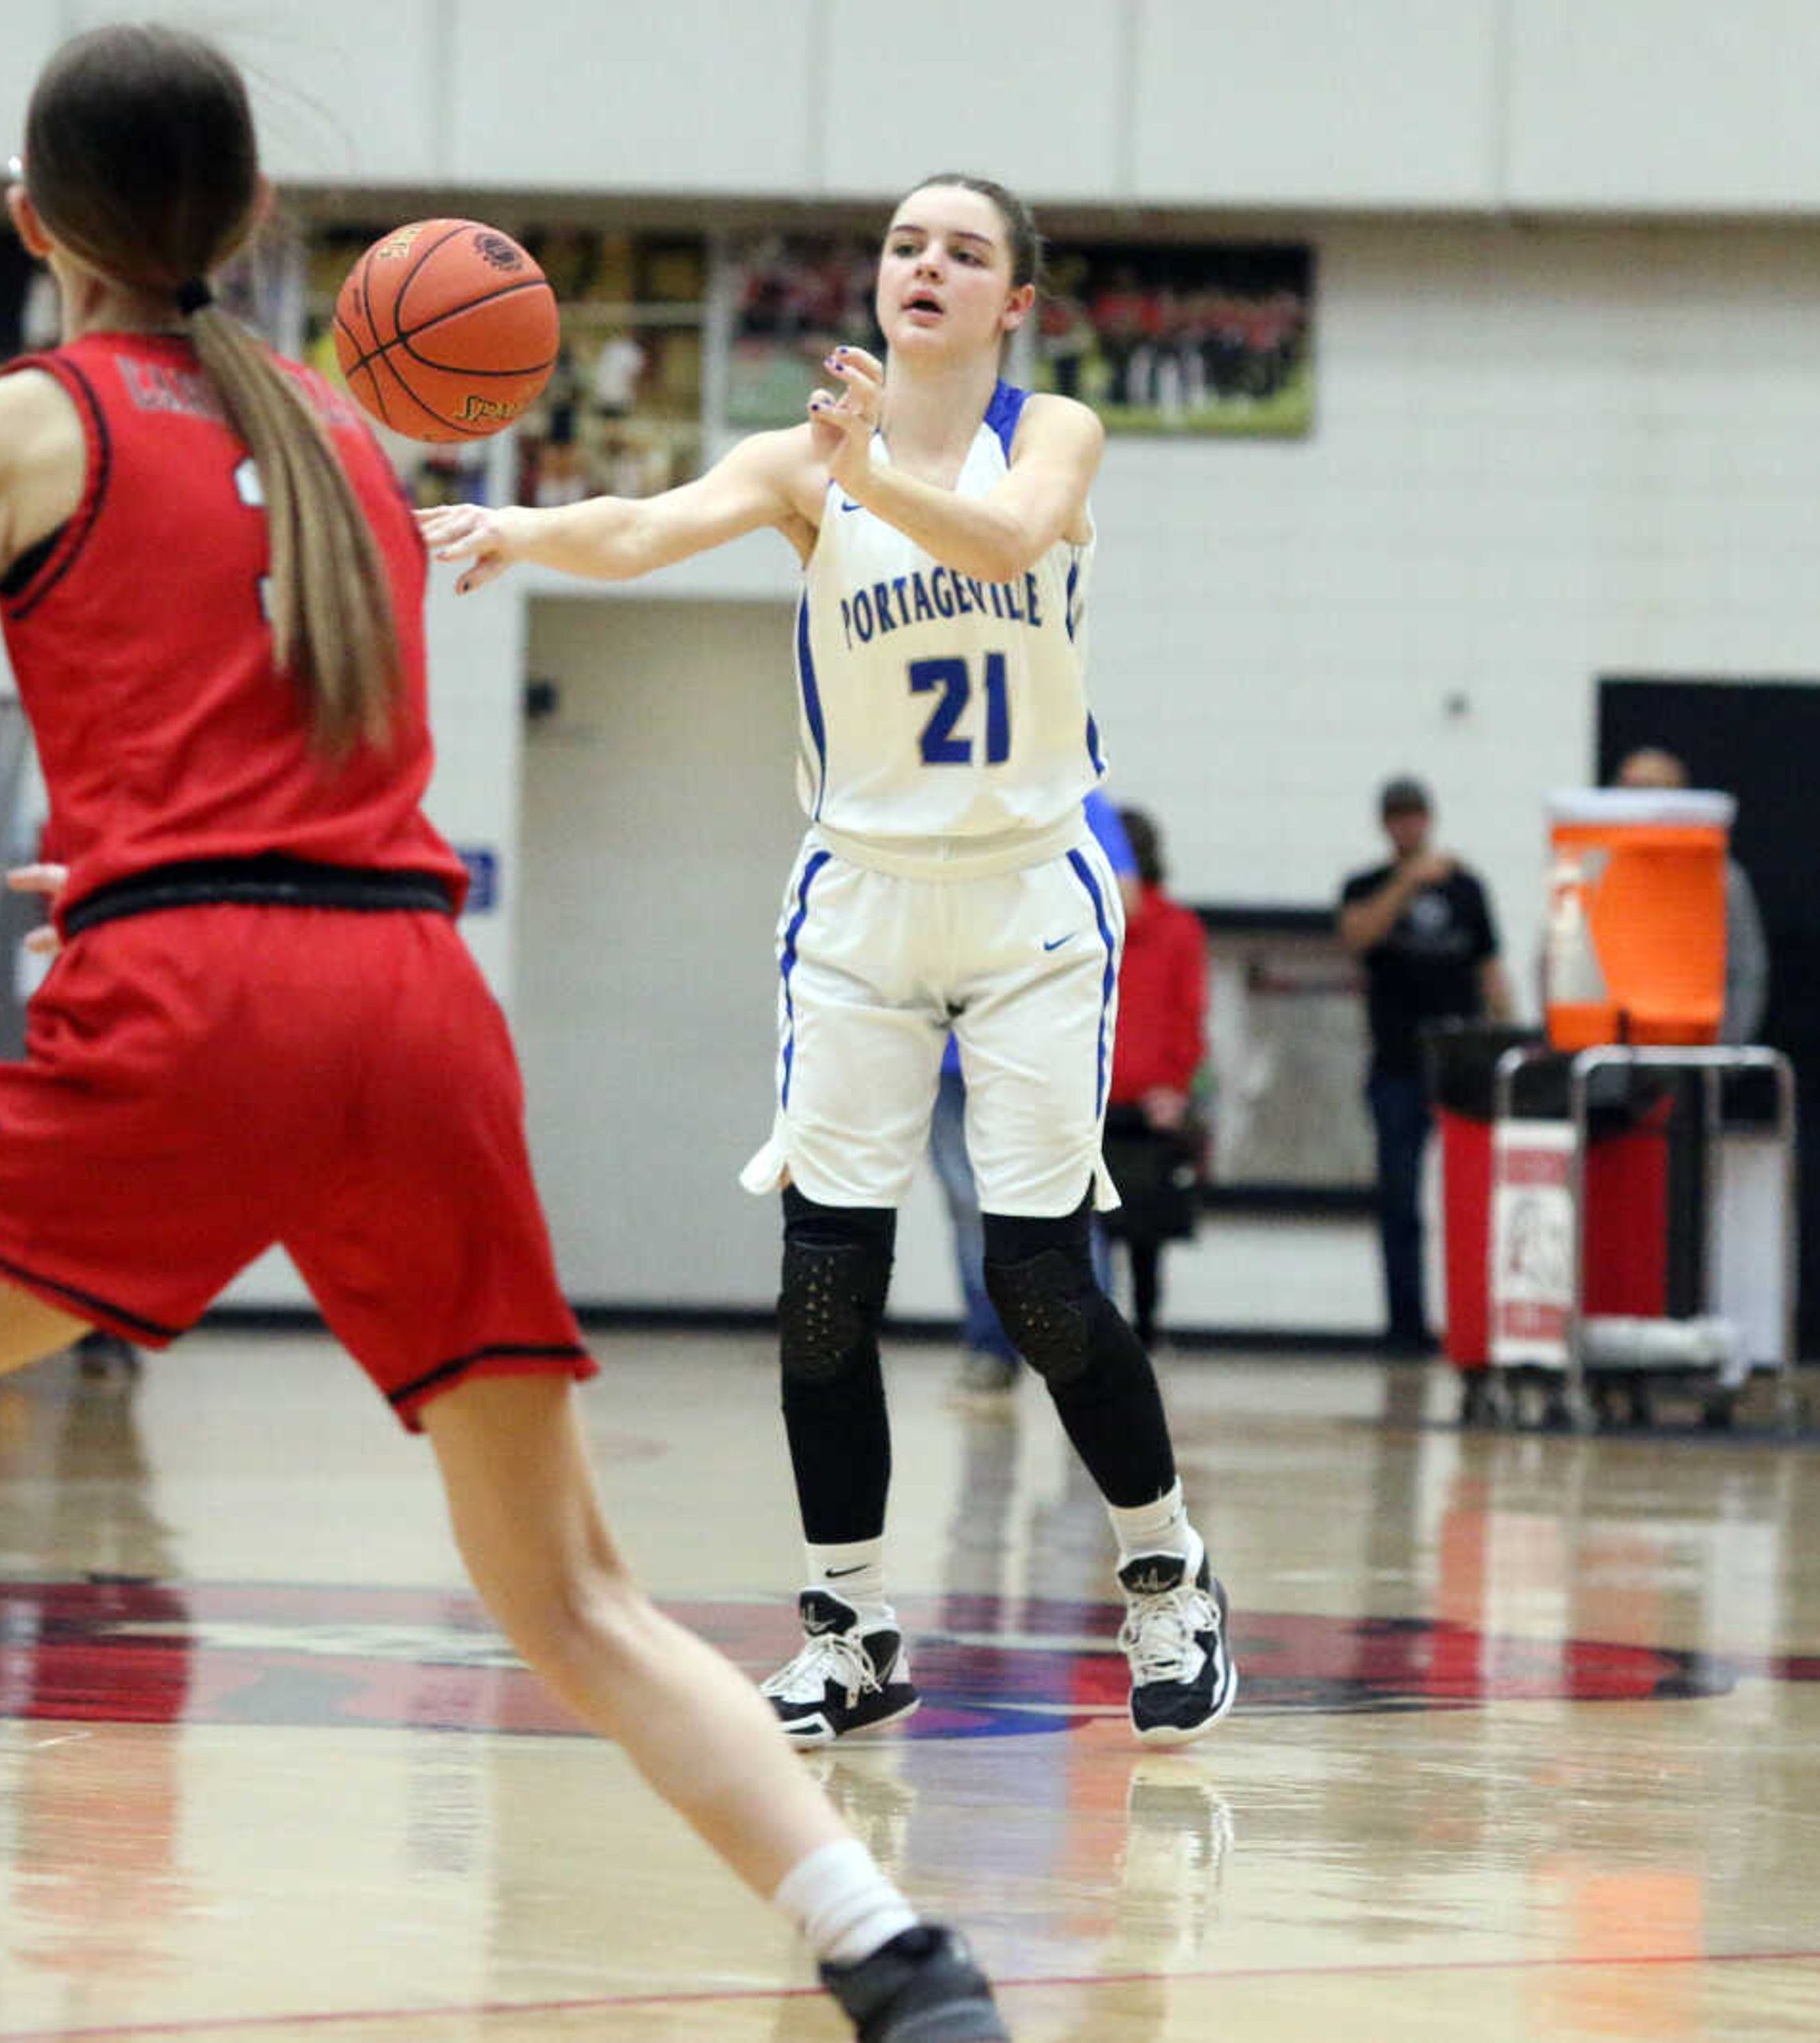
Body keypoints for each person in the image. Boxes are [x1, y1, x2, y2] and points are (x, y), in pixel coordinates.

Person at [0, 30, 1004, 2038]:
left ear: (26, 217)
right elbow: (307, 756)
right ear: (245, 222)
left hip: (199, 999)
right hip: (408, 1000)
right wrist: (154, 867)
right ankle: (897, 1955)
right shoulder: (343, 435)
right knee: (574, 1591)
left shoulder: (15, 422)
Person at [424, 173, 1235, 1755]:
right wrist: (519, 526)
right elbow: (649, 523)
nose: (925, 264)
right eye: (904, 243)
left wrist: (865, 469)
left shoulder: (1050, 432)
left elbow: (1005, 544)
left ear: (1015, 303)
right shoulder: (804, 459)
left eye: (965, 251)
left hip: (1030, 896)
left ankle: (1168, 1569)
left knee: (1039, 1280)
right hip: (860, 895)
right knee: (823, 1284)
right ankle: (852, 1625)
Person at [941, 789, 1131, 1394]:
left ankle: (1086, 1348)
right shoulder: (935, 796)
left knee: (1069, 1196)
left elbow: (1123, 898)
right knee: (969, 1204)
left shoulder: (1074, 796)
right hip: (949, 1044)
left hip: (1039, 1040)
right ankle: (991, 1346)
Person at [1336, 775, 1510, 1355]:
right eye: (1397, 817)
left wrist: (1507, 1037)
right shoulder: (1367, 885)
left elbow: (1490, 968)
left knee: (1471, 1198)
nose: (1408, 826)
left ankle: (1474, 1318)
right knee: (1399, 1200)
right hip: (1396, 1064)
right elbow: (1358, 936)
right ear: (1386, 825)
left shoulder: (1467, 888)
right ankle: (1404, 1327)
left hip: (1460, 1064)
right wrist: (1407, 880)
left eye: (1415, 816)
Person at [1102, 804, 1207, 1346]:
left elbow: (1186, 1014)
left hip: (1145, 1100)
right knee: (1094, 1229)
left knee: (1143, 1229)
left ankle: (1141, 1331)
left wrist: (1176, 1086)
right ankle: (1099, 1333)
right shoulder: (1085, 923)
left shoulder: (1176, 929)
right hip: (1095, 1098)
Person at [1615, 747, 1768, 1043]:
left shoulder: (1720, 877)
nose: (1633, 799)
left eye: (1647, 788)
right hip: (1610, 1046)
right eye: (1626, 786)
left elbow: (1746, 967)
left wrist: (1729, 1047)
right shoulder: (1595, 866)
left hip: (1693, 1046)